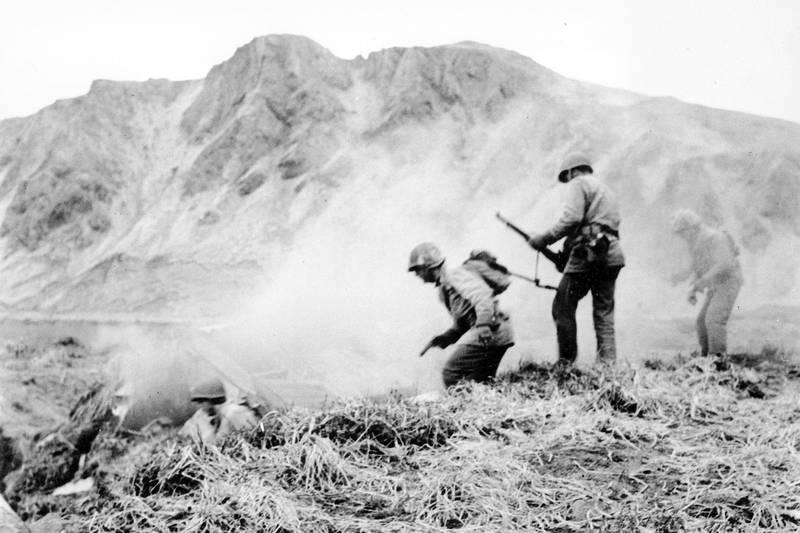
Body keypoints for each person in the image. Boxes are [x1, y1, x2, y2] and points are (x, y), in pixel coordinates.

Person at [527, 153, 625, 366]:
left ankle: (566, 364)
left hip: (587, 255)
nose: (568, 181)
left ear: (572, 171)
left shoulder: (579, 183)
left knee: (562, 305)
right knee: (603, 314)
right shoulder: (606, 189)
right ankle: (609, 368)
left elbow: (571, 219)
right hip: (611, 254)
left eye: (567, 176)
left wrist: (542, 240)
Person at [408, 242, 514, 387]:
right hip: (496, 332)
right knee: (483, 382)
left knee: (452, 373)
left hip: (492, 332)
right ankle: (482, 406)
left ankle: (465, 406)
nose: (417, 275)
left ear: (428, 266)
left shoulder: (453, 274)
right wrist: (445, 338)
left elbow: (482, 296)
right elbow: (464, 323)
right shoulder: (445, 287)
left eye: (417, 270)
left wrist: (483, 325)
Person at [670, 209, 743, 357]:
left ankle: (718, 361)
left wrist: (701, 282)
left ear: (691, 228)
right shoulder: (696, 241)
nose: (682, 237)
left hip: (729, 282)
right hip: (716, 284)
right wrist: (690, 284)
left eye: (682, 232)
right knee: (701, 322)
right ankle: (705, 359)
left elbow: (725, 264)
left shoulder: (715, 238)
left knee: (714, 320)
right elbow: (699, 266)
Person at [180, 377, 259, 446]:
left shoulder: (234, 413)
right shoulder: (219, 414)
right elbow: (182, 434)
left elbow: (215, 445)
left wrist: (204, 426)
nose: (200, 407)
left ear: (209, 400)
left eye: (200, 402)